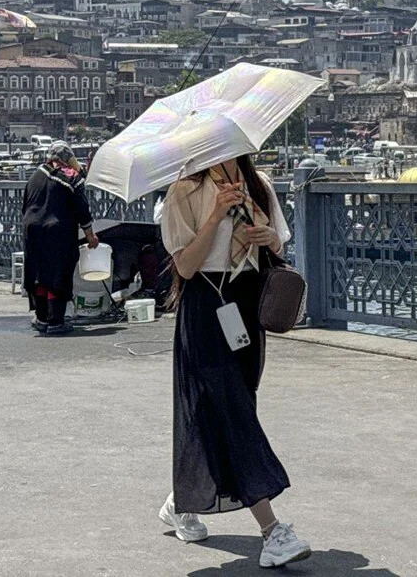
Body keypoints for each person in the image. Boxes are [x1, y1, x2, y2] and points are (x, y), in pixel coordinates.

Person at [158, 154, 312, 568]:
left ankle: (183, 498)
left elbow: (279, 240)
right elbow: (186, 266)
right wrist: (215, 217)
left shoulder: (256, 182)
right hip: (208, 304)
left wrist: (267, 238)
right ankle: (272, 530)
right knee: (233, 412)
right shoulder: (183, 191)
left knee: (233, 405)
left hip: (247, 302)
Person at [22, 141, 99, 335]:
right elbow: (82, 208)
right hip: (57, 233)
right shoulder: (70, 177)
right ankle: (56, 321)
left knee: (39, 275)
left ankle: (41, 318)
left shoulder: (35, 176)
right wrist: (90, 235)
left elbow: (25, 206)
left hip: (31, 230)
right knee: (57, 274)